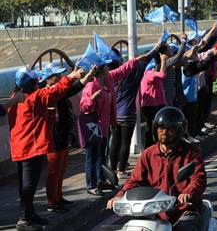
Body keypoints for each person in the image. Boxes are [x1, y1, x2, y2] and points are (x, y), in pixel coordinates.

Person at [8, 66, 87, 231]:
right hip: (30, 148)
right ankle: (24, 219)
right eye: (35, 81)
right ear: (30, 84)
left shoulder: (15, 97)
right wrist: (71, 76)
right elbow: (55, 92)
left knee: (27, 184)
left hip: (21, 147)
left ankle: (29, 214)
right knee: (28, 186)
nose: (38, 82)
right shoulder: (34, 97)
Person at [107, 107, 207, 231]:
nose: (164, 132)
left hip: (184, 211)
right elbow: (135, 180)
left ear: (179, 131)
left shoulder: (191, 153)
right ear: (155, 130)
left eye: (170, 129)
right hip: (155, 211)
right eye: (161, 128)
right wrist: (120, 196)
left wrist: (188, 192)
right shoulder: (148, 154)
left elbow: (198, 177)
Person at [79, 52, 149, 196]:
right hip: (93, 128)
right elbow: (84, 107)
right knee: (92, 156)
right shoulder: (91, 86)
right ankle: (91, 185)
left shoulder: (108, 80)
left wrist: (136, 60)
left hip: (104, 126)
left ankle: (100, 179)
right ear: (102, 70)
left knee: (101, 155)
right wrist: (92, 99)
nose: (108, 68)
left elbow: (122, 70)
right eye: (105, 66)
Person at [40, 62, 89, 213]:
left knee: (61, 168)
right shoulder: (46, 92)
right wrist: (71, 77)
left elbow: (73, 88)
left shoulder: (59, 91)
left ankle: (58, 197)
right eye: (57, 75)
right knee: (53, 170)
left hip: (63, 134)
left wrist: (88, 76)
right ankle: (51, 201)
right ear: (49, 78)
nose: (60, 77)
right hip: (53, 136)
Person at [110, 44, 159, 179]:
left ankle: (112, 169)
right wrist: (157, 48)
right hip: (128, 113)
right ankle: (121, 170)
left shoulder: (109, 77)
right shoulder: (132, 75)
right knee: (125, 142)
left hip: (114, 114)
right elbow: (146, 60)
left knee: (115, 141)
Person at [141, 51, 170, 147]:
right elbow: (162, 75)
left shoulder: (151, 75)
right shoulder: (149, 74)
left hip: (155, 105)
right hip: (152, 106)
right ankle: (150, 148)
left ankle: (153, 146)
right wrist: (163, 60)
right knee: (152, 129)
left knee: (154, 128)